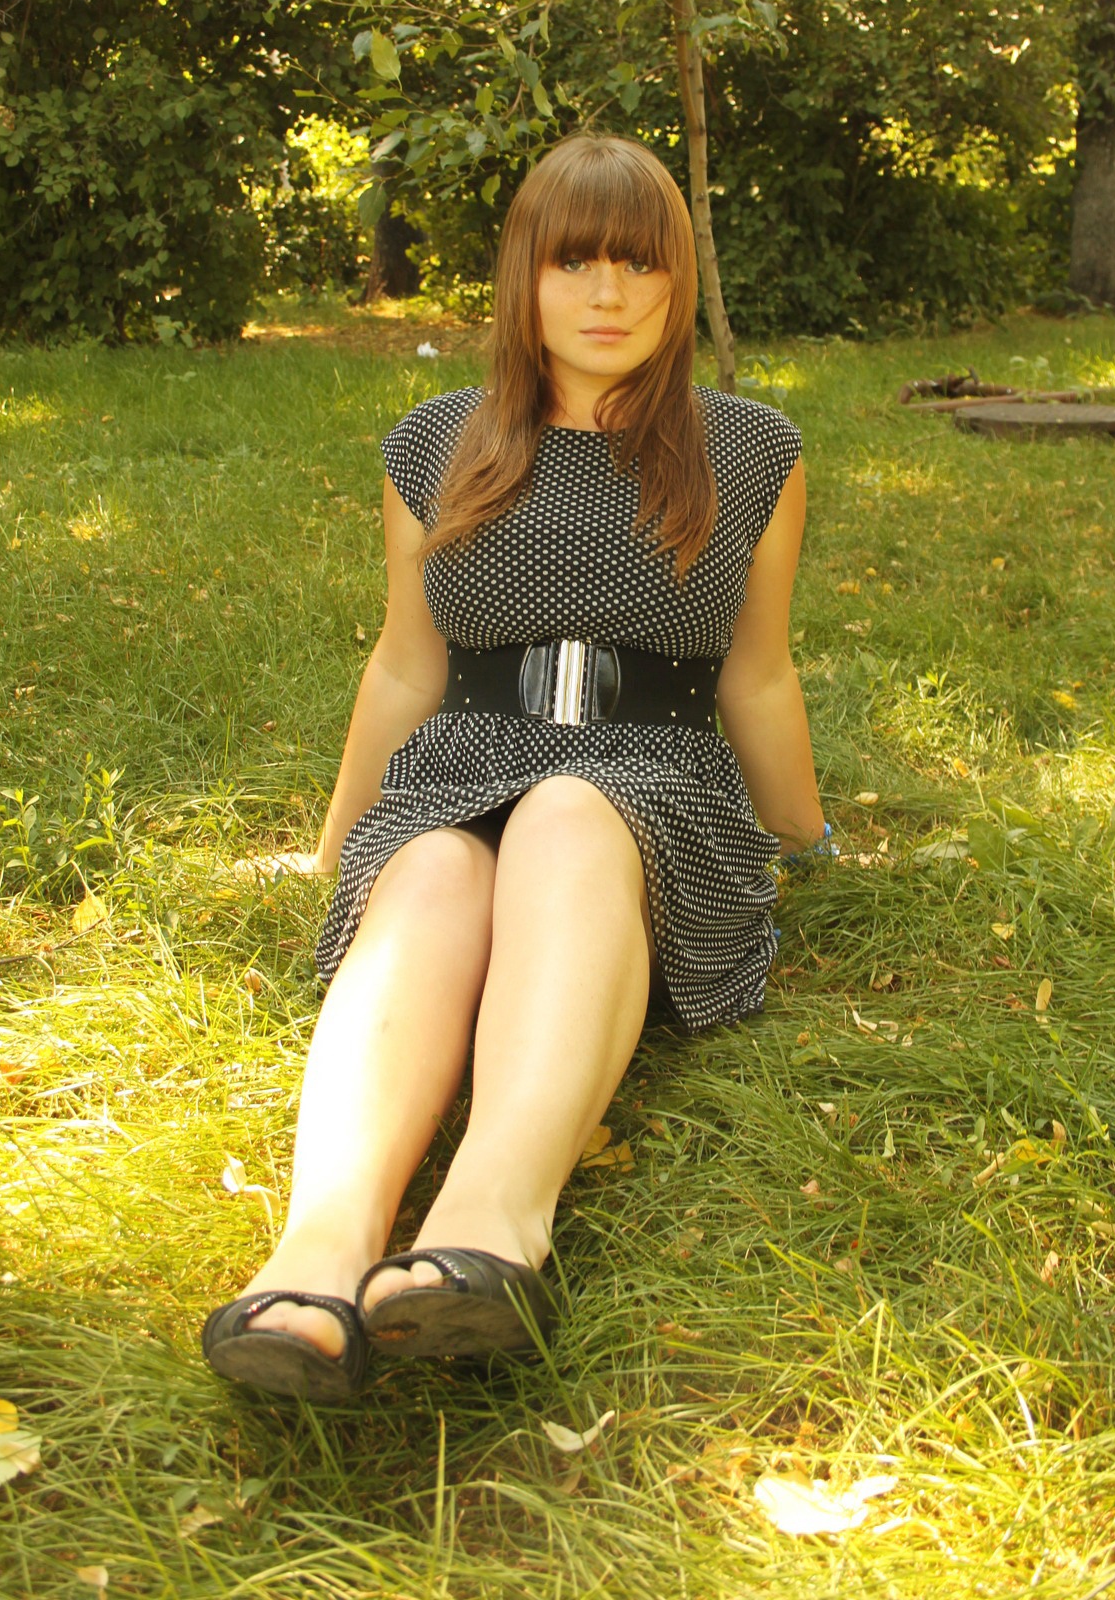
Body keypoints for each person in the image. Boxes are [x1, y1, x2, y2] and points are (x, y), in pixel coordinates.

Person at [202, 134, 828, 1402]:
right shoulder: (436, 442)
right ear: (523, 276)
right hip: (461, 759)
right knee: (432, 867)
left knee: (566, 812)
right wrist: (336, 848)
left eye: (640, 263)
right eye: (574, 261)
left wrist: (806, 839)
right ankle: (318, 1252)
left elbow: (758, 674)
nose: (608, 294)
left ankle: (491, 1225)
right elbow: (405, 664)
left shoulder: (752, 449)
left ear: (680, 277)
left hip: (652, 775)